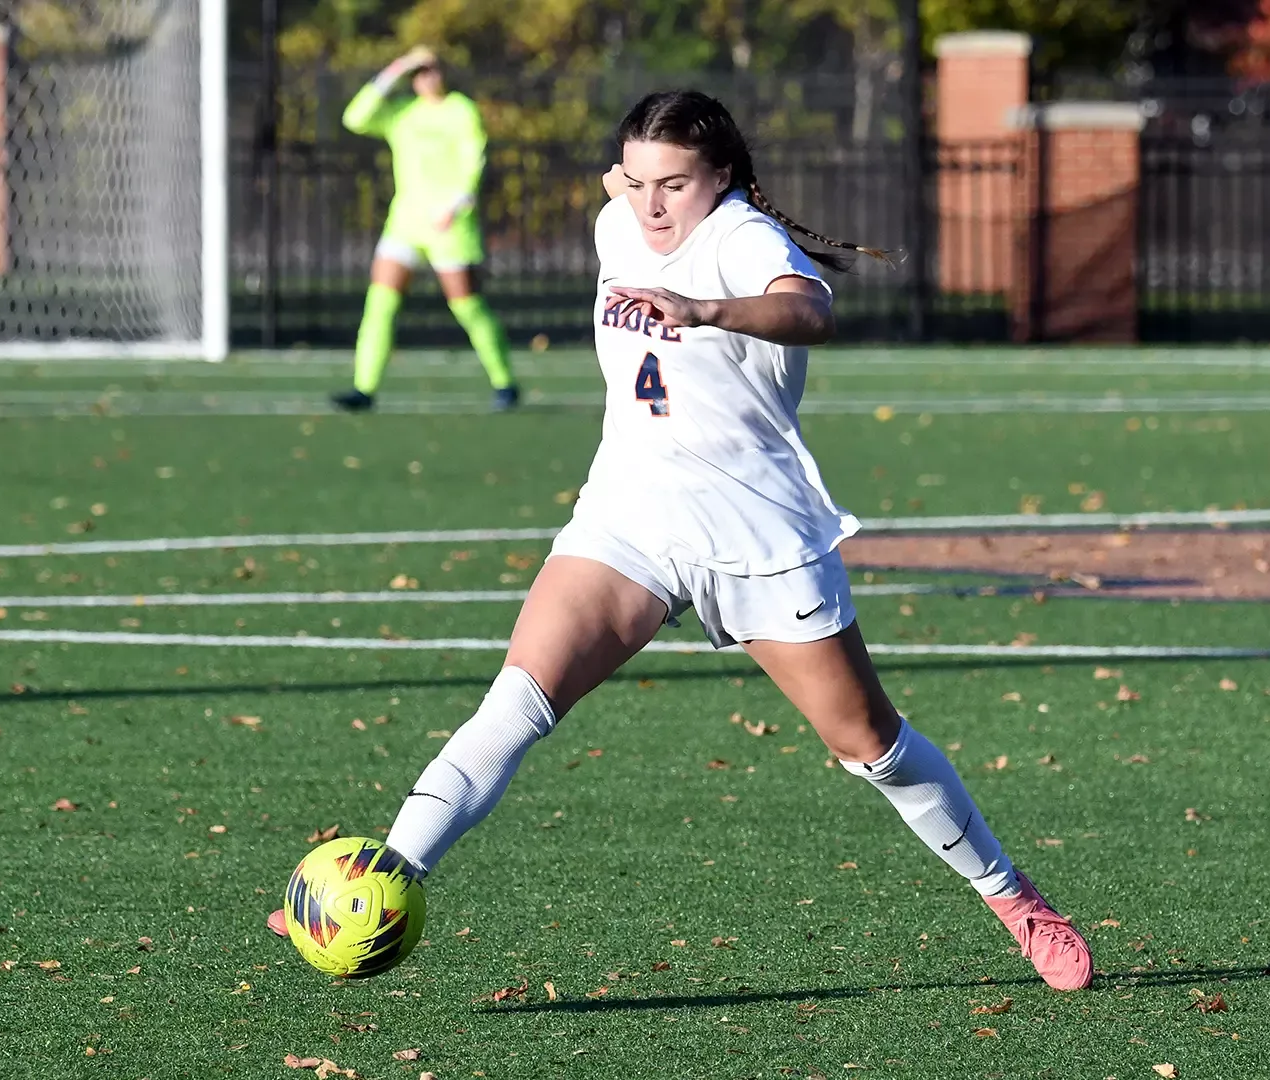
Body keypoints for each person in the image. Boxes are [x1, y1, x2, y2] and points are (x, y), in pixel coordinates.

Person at [274, 90, 1092, 991]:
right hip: (627, 516)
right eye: (636, 182)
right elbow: (629, 199)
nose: (652, 206)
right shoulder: (616, 224)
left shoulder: (742, 239)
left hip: (757, 534)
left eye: (676, 185)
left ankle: (1014, 898)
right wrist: (629, 189)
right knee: (512, 706)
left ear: (726, 177)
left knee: (871, 744)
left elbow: (809, 311)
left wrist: (708, 309)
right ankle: (372, 887)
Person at [332, 46, 519, 413]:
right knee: (380, 302)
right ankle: (363, 388)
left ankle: (504, 382)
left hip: (449, 226)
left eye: (432, 69)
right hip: (405, 222)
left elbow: (473, 159)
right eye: (419, 72)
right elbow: (355, 117)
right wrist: (396, 67)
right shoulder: (402, 113)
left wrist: (456, 204)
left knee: (466, 306)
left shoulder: (459, 109)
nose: (427, 77)